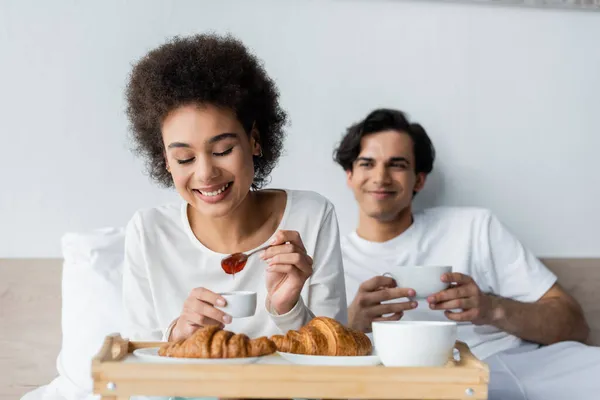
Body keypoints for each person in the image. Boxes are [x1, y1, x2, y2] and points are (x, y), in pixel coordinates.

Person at [333, 108, 599, 400]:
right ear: (350, 175)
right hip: (405, 385)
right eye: (367, 163)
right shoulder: (330, 260)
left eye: (397, 165)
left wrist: (490, 308)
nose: (380, 177)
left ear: (418, 180)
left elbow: (575, 325)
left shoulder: (473, 227)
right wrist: (350, 325)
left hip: (510, 367)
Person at [121, 33, 347, 348]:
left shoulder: (311, 216)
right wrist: (178, 336)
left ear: (254, 140)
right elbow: (138, 371)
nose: (205, 173)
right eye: (184, 157)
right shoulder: (149, 232)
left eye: (223, 149)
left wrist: (289, 308)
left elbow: (336, 358)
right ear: (166, 161)